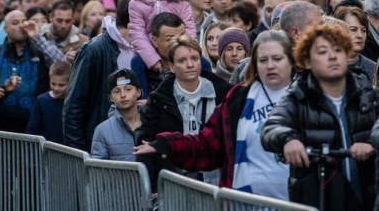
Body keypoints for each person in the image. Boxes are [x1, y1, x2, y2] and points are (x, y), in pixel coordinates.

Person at [134, 30, 294, 199]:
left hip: (296, 199)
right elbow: (209, 144)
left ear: (291, 60)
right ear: (254, 64)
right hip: (245, 200)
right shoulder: (239, 98)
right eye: (263, 60)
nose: (270, 65)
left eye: (277, 58)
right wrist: (169, 144)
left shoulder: (307, 96)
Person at [261, 24, 379, 207]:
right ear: (307, 61)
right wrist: (288, 139)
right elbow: (271, 127)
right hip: (320, 198)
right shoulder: (297, 96)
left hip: (369, 197)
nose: (332, 56)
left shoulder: (368, 92)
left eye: (338, 50)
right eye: (322, 52)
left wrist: (373, 144)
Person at [136, 35, 229, 190]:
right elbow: (146, 142)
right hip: (176, 183)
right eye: (182, 60)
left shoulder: (224, 92)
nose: (190, 65)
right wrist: (151, 187)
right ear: (171, 67)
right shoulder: (159, 100)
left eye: (194, 58)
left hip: (217, 182)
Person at [63, 0, 135, 151]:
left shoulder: (148, 49)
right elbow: (74, 104)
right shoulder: (94, 49)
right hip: (100, 145)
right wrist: (77, 153)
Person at [0, 9, 63, 133]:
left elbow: (61, 64)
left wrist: (36, 36)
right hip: (0, 122)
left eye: (24, 21)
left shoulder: (39, 49)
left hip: (34, 122)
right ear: (5, 29)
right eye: (15, 23)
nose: (21, 25)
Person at [126, 0, 196, 74]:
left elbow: (189, 27)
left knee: (202, 61)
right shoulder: (135, 5)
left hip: (179, 47)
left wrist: (186, 51)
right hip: (151, 49)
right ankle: (143, 92)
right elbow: (137, 34)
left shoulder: (179, 0)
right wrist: (152, 59)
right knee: (137, 62)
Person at [91, 68, 144, 162]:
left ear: (138, 92)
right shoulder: (102, 131)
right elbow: (97, 170)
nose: (123, 95)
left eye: (128, 89)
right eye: (116, 91)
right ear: (110, 97)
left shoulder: (153, 123)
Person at [27, 60, 71, 144]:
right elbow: (32, 130)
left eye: (61, 85)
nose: (56, 88)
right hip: (45, 150)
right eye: (53, 84)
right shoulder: (42, 100)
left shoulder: (74, 102)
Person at [333, 5, 376, 82]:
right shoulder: (327, 65)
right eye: (353, 30)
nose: (360, 35)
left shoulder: (373, 69)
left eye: (363, 30)